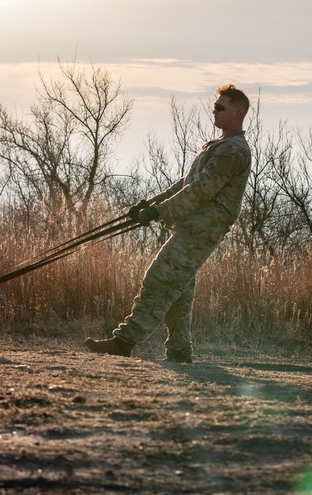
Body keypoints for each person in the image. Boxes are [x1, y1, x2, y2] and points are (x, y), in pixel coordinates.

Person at [86, 84, 252, 363]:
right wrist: (150, 205)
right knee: (179, 289)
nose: (214, 111)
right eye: (214, 106)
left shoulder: (233, 150)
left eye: (220, 108)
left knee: (160, 279)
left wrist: (159, 212)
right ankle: (179, 350)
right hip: (194, 225)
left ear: (238, 113)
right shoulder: (218, 145)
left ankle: (124, 341)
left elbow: (201, 191)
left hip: (203, 228)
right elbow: (186, 184)